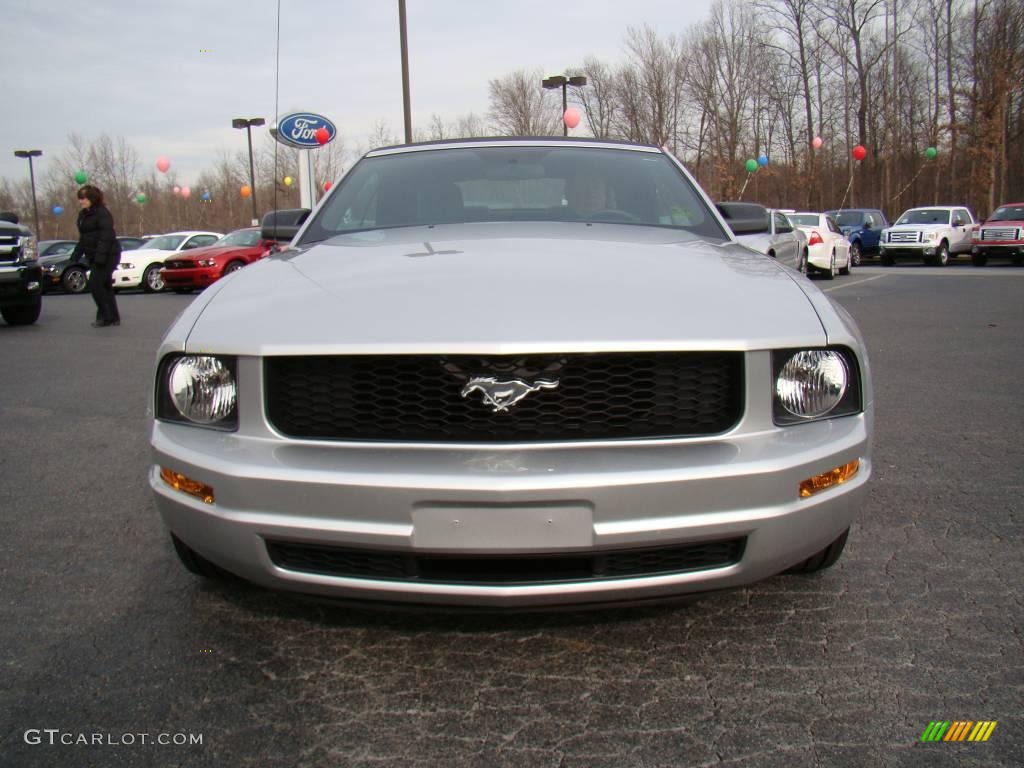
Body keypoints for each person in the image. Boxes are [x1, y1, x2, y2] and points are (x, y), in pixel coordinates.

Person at [72, 185, 121, 327]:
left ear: (92, 198)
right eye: (80, 198)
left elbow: (106, 237)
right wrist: (75, 256)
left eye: (84, 198)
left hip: (109, 254)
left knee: (95, 284)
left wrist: (100, 259)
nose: (81, 201)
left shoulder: (102, 213)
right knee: (105, 286)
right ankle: (113, 317)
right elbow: (84, 238)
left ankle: (105, 317)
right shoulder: (83, 215)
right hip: (95, 255)